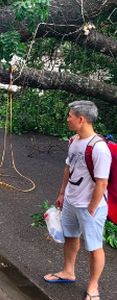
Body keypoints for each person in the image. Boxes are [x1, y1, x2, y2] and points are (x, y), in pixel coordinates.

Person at [44, 101, 110, 300]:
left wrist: (91, 208)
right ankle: (68, 271)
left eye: (70, 115)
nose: (68, 119)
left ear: (81, 119)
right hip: (72, 201)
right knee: (71, 236)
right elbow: (68, 168)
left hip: (91, 207)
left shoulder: (99, 148)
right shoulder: (74, 140)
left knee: (94, 246)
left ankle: (93, 285)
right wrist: (63, 193)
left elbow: (102, 183)